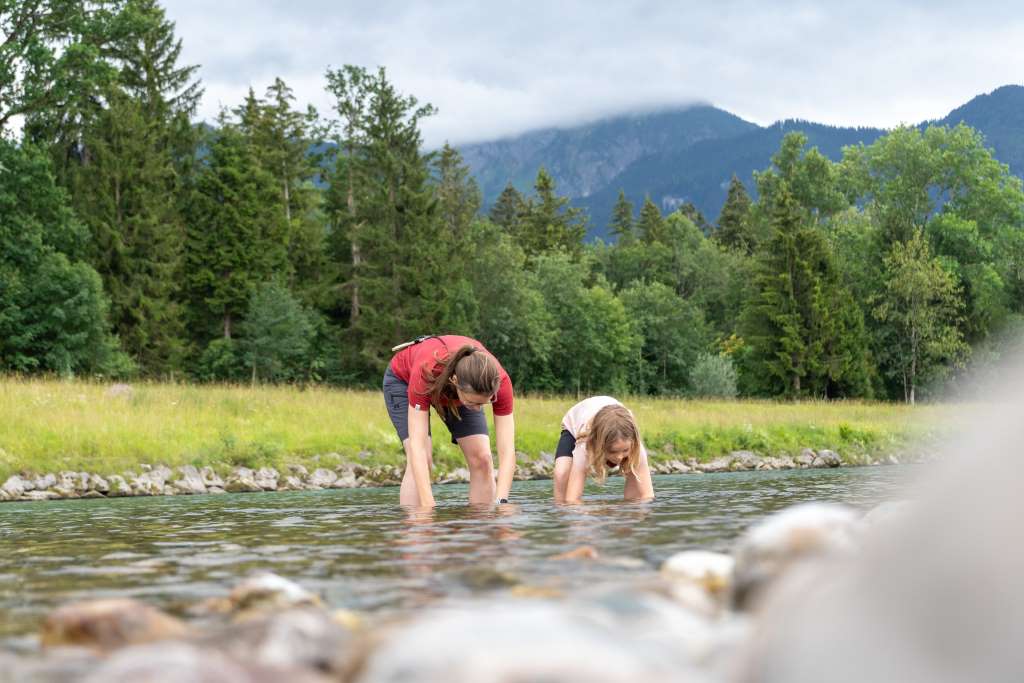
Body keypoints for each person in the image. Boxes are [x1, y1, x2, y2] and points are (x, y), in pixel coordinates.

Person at [383, 335, 516, 507]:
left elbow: (507, 451)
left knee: (482, 459)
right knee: (424, 458)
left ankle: (482, 527)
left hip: (459, 390)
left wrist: (502, 503)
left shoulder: (500, 382)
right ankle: (416, 529)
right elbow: (418, 448)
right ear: (455, 382)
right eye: (473, 403)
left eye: (484, 403)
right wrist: (428, 509)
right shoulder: (427, 370)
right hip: (405, 380)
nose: (477, 409)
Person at [553, 396, 655, 504]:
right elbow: (572, 499)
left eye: (625, 450)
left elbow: (647, 494)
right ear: (600, 445)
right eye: (613, 451)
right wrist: (580, 518)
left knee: (635, 482)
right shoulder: (585, 444)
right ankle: (561, 511)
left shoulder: (635, 444)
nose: (619, 457)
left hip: (617, 421)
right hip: (574, 424)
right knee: (561, 473)